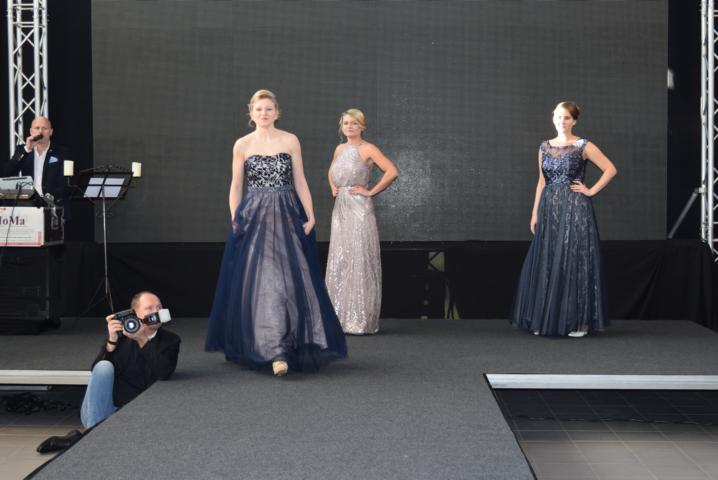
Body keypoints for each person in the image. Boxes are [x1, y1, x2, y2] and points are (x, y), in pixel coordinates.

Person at [205, 89, 347, 376]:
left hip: (286, 214)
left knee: (292, 280)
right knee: (260, 282)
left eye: (269, 109)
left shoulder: (290, 140)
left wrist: (310, 214)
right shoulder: (242, 144)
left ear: (277, 112)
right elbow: (236, 185)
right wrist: (235, 217)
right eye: (259, 109)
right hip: (254, 217)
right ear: (251, 113)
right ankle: (273, 351)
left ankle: (291, 342)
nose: (264, 113)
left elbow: (300, 181)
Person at [510, 101, 617, 337]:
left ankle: (576, 322)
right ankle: (545, 320)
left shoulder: (583, 146)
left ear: (574, 121)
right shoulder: (544, 147)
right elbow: (542, 181)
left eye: (567, 117)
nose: (562, 121)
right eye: (558, 116)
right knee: (548, 259)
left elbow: (610, 169)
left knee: (573, 261)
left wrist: (590, 190)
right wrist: (535, 212)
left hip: (576, 210)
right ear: (553, 118)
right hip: (550, 210)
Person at [36, 291, 180, 453]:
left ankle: (79, 439)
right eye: (149, 308)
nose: (155, 311)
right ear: (135, 314)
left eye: (159, 307)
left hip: (138, 413)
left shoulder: (170, 340)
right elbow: (97, 373)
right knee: (104, 366)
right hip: (105, 409)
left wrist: (142, 339)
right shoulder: (121, 337)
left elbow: (163, 372)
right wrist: (111, 341)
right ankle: (92, 437)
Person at [325, 109, 398, 334]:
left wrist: (370, 192)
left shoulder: (368, 149)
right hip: (341, 209)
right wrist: (334, 186)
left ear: (362, 127)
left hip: (359, 210)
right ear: (342, 127)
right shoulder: (339, 149)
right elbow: (332, 171)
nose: (349, 126)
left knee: (359, 258)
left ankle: (359, 320)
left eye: (354, 123)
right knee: (341, 258)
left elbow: (392, 171)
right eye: (346, 123)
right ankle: (338, 318)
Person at [1, 116, 71, 219]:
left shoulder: (62, 153)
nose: (40, 131)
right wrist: (27, 149)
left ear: (51, 132)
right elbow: (7, 173)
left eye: (44, 128)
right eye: (37, 128)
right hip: (27, 207)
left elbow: (66, 183)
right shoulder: (22, 150)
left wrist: (50, 197)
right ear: (31, 131)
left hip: (53, 207)